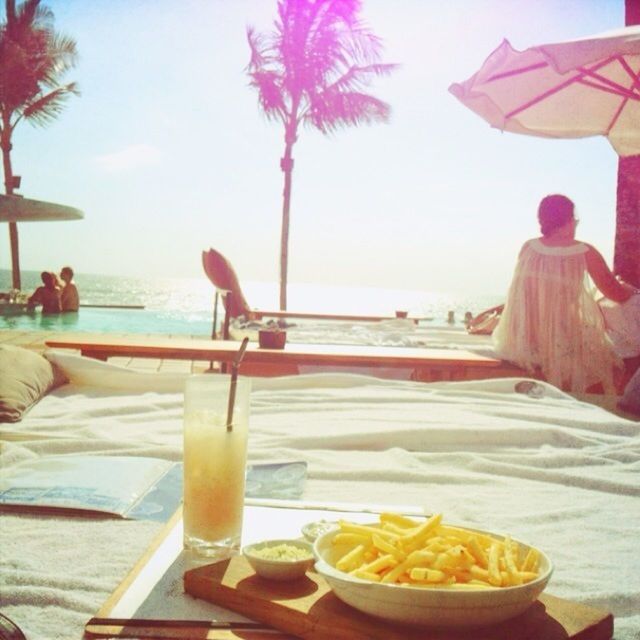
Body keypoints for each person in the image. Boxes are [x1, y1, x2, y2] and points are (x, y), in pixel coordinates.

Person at [492, 194, 636, 394]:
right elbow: (616, 294)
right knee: (626, 346)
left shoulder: (528, 248)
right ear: (569, 220)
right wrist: (630, 289)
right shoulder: (584, 251)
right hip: (562, 338)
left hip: (522, 337)